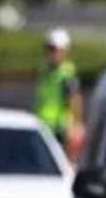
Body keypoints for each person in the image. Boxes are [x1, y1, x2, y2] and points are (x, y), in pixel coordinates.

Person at [33, 27, 83, 156]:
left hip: (60, 129)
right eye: (49, 49)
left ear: (64, 51)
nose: (52, 53)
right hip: (41, 124)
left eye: (55, 50)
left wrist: (76, 126)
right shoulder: (44, 70)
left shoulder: (67, 74)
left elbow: (74, 99)